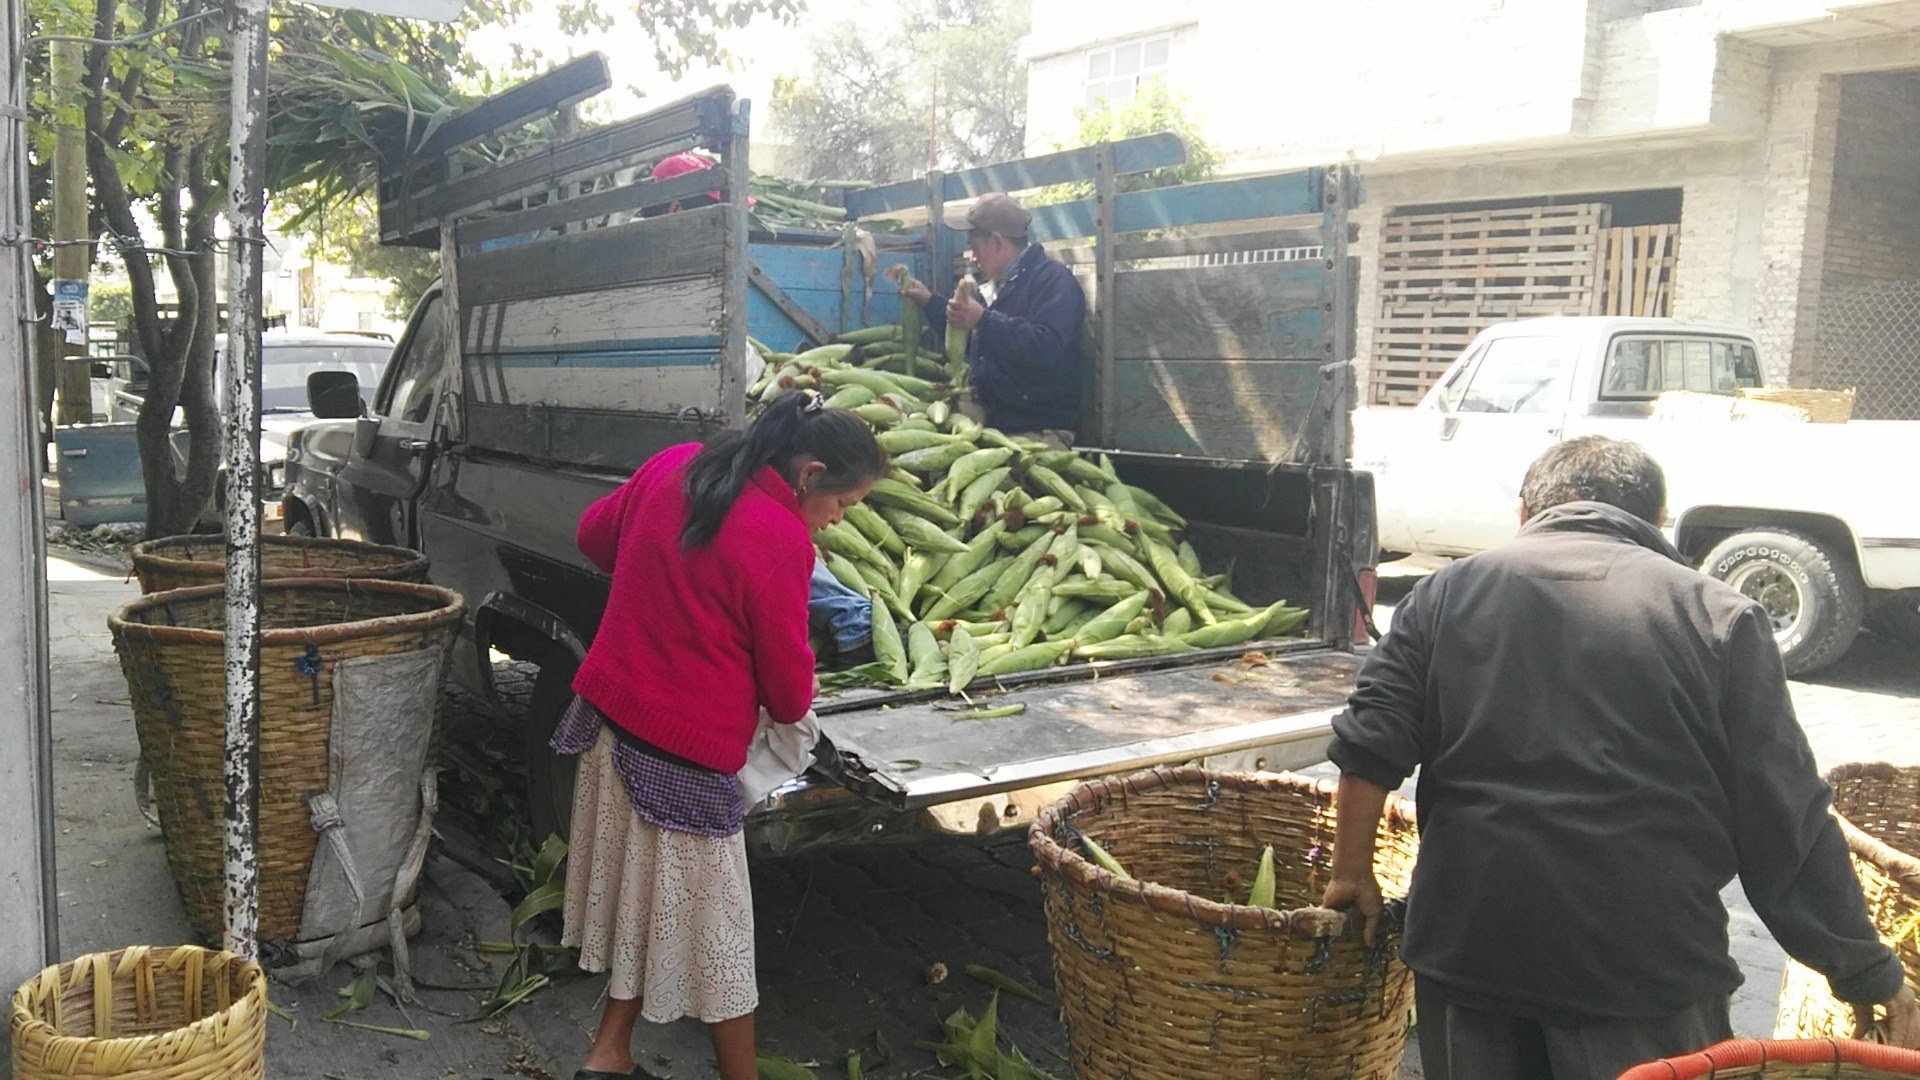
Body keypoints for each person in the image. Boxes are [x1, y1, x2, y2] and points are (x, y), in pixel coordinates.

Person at [1319, 435, 1919, 1079]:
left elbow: (1370, 742)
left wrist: (1351, 873)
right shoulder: (1720, 616)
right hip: (1641, 972)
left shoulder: (1442, 595)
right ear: (1654, 520)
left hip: (1470, 951)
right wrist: (1867, 972)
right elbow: (1785, 820)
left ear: (1525, 513)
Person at [551, 389, 887, 1080]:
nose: (833, 522)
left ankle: (608, 1054)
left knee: (640, 901)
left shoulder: (677, 463)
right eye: (842, 505)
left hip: (609, 731)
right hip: (683, 764)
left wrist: (665, 588)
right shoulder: (778, 537)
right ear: (810, 473)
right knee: (724, 943)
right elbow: (790, 694)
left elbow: (593, 536)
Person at [904, 192, 1086, 446]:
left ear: (997, 242)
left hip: (1037, 428)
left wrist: (983, 320)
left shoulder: (1053, 282)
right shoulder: (994, 288)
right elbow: (974, 345)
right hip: (995, 420)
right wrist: (929, 302)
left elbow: (1047, 348)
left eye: (974, 246)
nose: (971, 256)